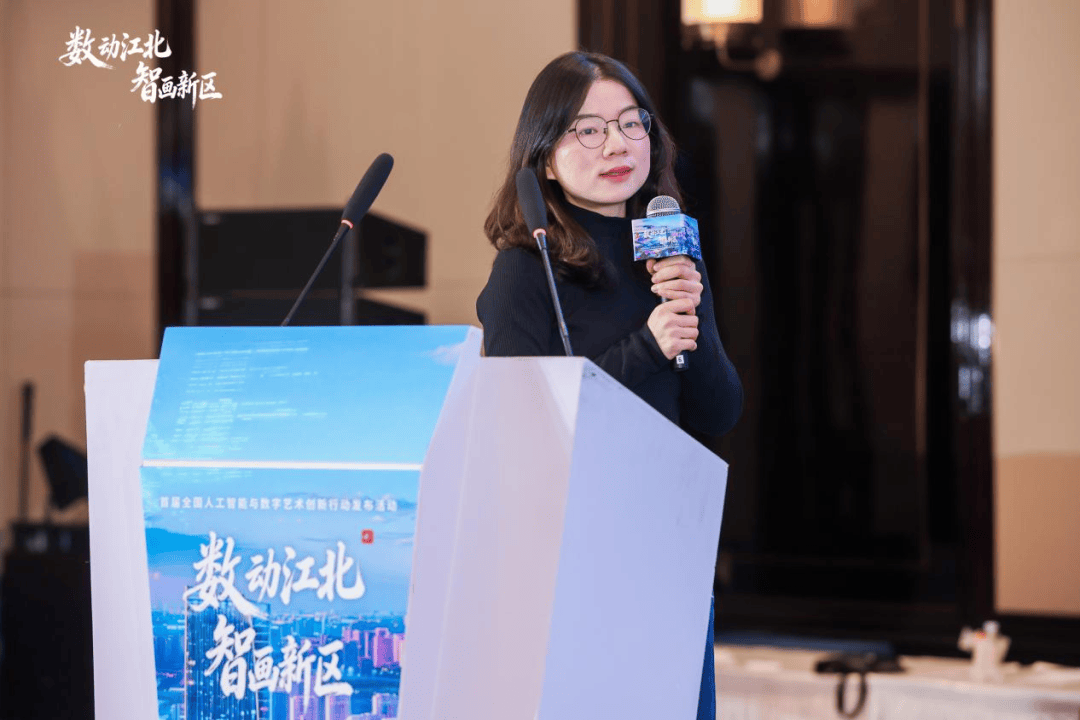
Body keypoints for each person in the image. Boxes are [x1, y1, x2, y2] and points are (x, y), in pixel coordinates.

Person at [476, 51, 742, 719]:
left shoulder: (670, 249)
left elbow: (717, 410)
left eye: (631, 122)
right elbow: (521, 428)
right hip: (571, 565)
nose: (618, 144)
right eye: (588, 130)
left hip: (668, 550)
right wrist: (647, 348)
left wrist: (688, 313)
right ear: (544, 157)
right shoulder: (525, 269)